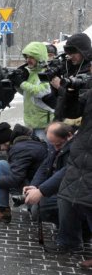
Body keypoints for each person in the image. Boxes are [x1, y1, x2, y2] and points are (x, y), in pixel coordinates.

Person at [45, 63, 92, 259]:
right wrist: (71, 90)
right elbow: (71, 112)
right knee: (68, 198)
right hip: (82, 151)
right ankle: (68, 241)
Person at [0, 124, 47, 223]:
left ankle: (2, 211)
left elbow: (15, 178)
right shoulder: (29, 140)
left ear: (7, 142)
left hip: (36, 186)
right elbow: (19, 167)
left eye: (0, 145)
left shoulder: (19, 148)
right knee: (2, 166)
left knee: (0, 165)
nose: (1, 149)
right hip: (38, 181)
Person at [23, 122, 74, 226]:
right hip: (57, 189)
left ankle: (78, 229)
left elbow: (64, 173)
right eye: (52, 144)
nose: (55, 148)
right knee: (36, 206)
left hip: (70, 192)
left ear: (69, 136)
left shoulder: (76, 150)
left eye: (58, 144)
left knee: (42, 206)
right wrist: (34, 186)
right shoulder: (54, 146)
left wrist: (41, 191)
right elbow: (44, 167)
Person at [52, 33, 92, 121]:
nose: (71, 55)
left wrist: (60, 87)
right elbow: (56, 100)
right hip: (61, 120)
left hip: (79, 125)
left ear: (84, 51)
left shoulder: (89, 71)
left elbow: (81, 103)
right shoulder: (67, 67)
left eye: (74, 52)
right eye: (69, 52)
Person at [18, 42, 54, 140]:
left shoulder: (46, 73)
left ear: (39, 57)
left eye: (31, 57)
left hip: (43, 124)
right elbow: (27, 93)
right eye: (27, 57)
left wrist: (21, 83)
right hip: (31, 123)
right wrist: (16, 84)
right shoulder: (32, 73)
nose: (28, 60)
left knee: (44, 151)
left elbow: (41, 92)